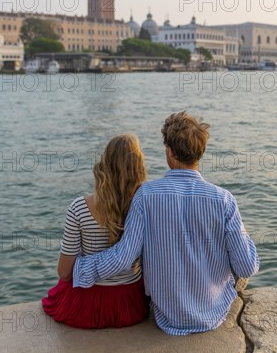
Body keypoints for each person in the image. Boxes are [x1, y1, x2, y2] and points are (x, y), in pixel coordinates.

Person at [73, 111, 260, 335]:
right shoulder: (224, 199)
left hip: (166, 316)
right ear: (200, 154)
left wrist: (81, 268)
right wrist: (243, 233)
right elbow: (247, 267)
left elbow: (123, 257)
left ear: (169, 152)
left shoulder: (145, 196)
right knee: (236, 244)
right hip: (214, 313)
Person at [42, 134, 150, 328]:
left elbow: (64, 272)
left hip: (85, 305)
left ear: (104, 164)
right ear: (139, 168)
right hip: (130, 304)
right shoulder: (144, 207)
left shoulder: (79, 208)